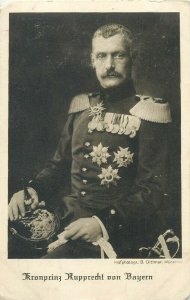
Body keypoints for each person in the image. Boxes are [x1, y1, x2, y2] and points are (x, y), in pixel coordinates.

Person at [8, 24, 173, 258]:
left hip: (115, 231)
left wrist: (102, 223)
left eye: (118, 55)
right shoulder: (82, 107)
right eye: (101, 56)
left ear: (132, 58)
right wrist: (32, 189)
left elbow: (154, 190)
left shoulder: (149, 113)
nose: (110, 66)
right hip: (67, 217)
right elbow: (59, 166)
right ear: (92, 60)